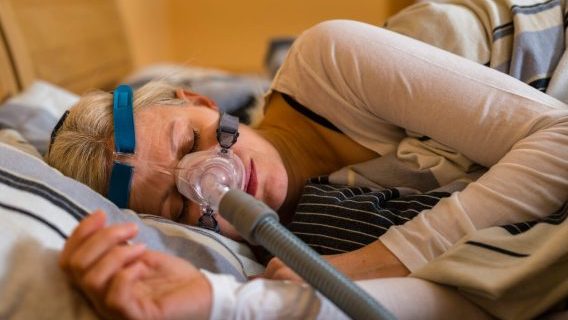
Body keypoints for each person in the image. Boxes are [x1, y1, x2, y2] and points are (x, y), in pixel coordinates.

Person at [48, 2, 568, 318]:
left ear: (203, 102)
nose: (214, 179)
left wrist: (365, 267)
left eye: (190, 144)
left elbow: (559, 138)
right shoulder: (317, 232)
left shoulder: (329, 61)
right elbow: (476, 294)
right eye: (181, 205)